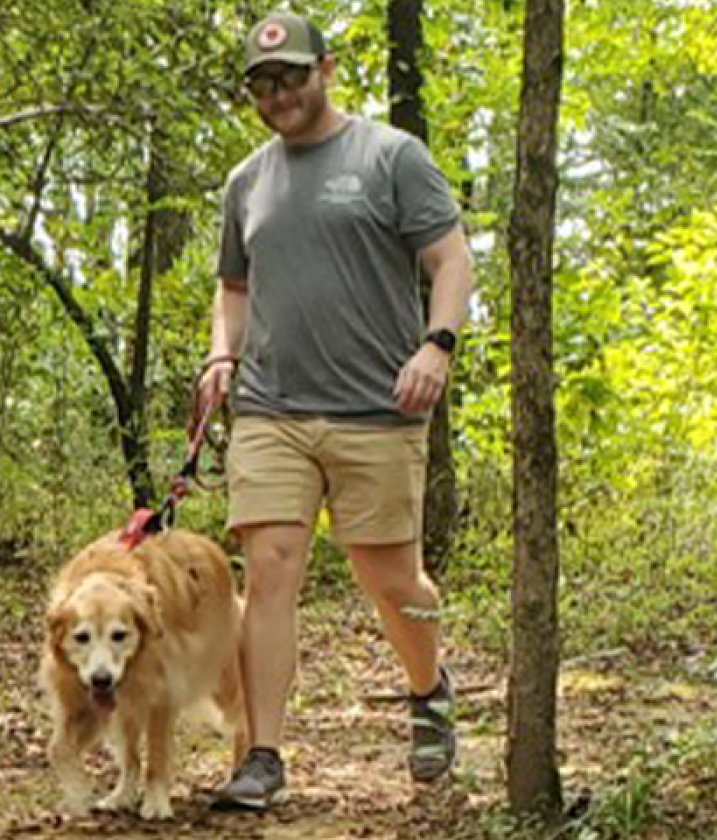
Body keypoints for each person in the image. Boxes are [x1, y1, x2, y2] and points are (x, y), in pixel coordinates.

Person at [199, 11, 476, 812]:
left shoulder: (390, 157)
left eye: (289, 77)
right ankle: (261, 753)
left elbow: (450, 256)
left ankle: (428, 689)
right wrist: (223, 354)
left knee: (389, 578)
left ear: (325, 70)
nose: (277, 95)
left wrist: (438, 345)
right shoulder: (246, 182)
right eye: (261, 84)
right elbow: (236, 289)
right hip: (272, 408)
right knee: (271, 568)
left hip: (375, 408)